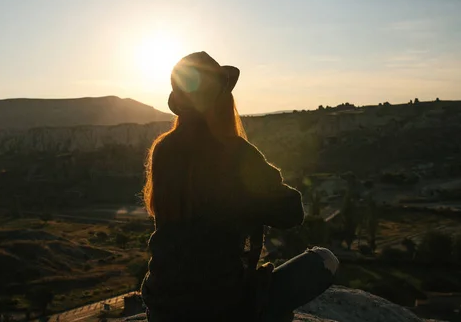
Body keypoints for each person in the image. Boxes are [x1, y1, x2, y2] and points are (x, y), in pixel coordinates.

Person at [140, 52, 339, 322]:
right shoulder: (235, 153)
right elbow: (292, 213)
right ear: (221, 98)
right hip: (222, 306)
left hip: (163, 304)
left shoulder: (163, 150)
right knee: (323, 261)